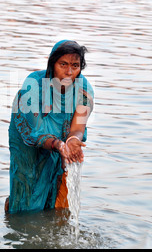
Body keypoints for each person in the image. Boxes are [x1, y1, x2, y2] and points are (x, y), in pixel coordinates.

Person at [5, 40, 94, 214]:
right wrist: (58, 145)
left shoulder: (84, 90)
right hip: (27, 138)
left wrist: (73, 140)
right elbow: (35, 131)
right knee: (26, 189)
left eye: (75, 66)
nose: (69, 72)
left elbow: (78, 126)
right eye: (63, 64)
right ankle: (18, 224)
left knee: (56, 188)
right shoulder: (34, 85)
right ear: (52, 64)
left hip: (62, 138)